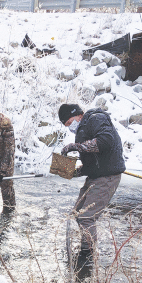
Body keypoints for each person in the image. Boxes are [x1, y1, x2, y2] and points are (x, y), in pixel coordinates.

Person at [58, 103, 126, 269]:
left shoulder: (96, 118)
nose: (69, 127)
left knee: (87, 217)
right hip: (96, 176)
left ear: (77, 114)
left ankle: (87, 256)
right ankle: (85, 246)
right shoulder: (82, 130)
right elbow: (91, 163)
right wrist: (73, 172)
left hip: (107, 177)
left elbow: (106, 140)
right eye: (66, 126)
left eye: (69, 123)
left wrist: (77, 147)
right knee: (78, 212)